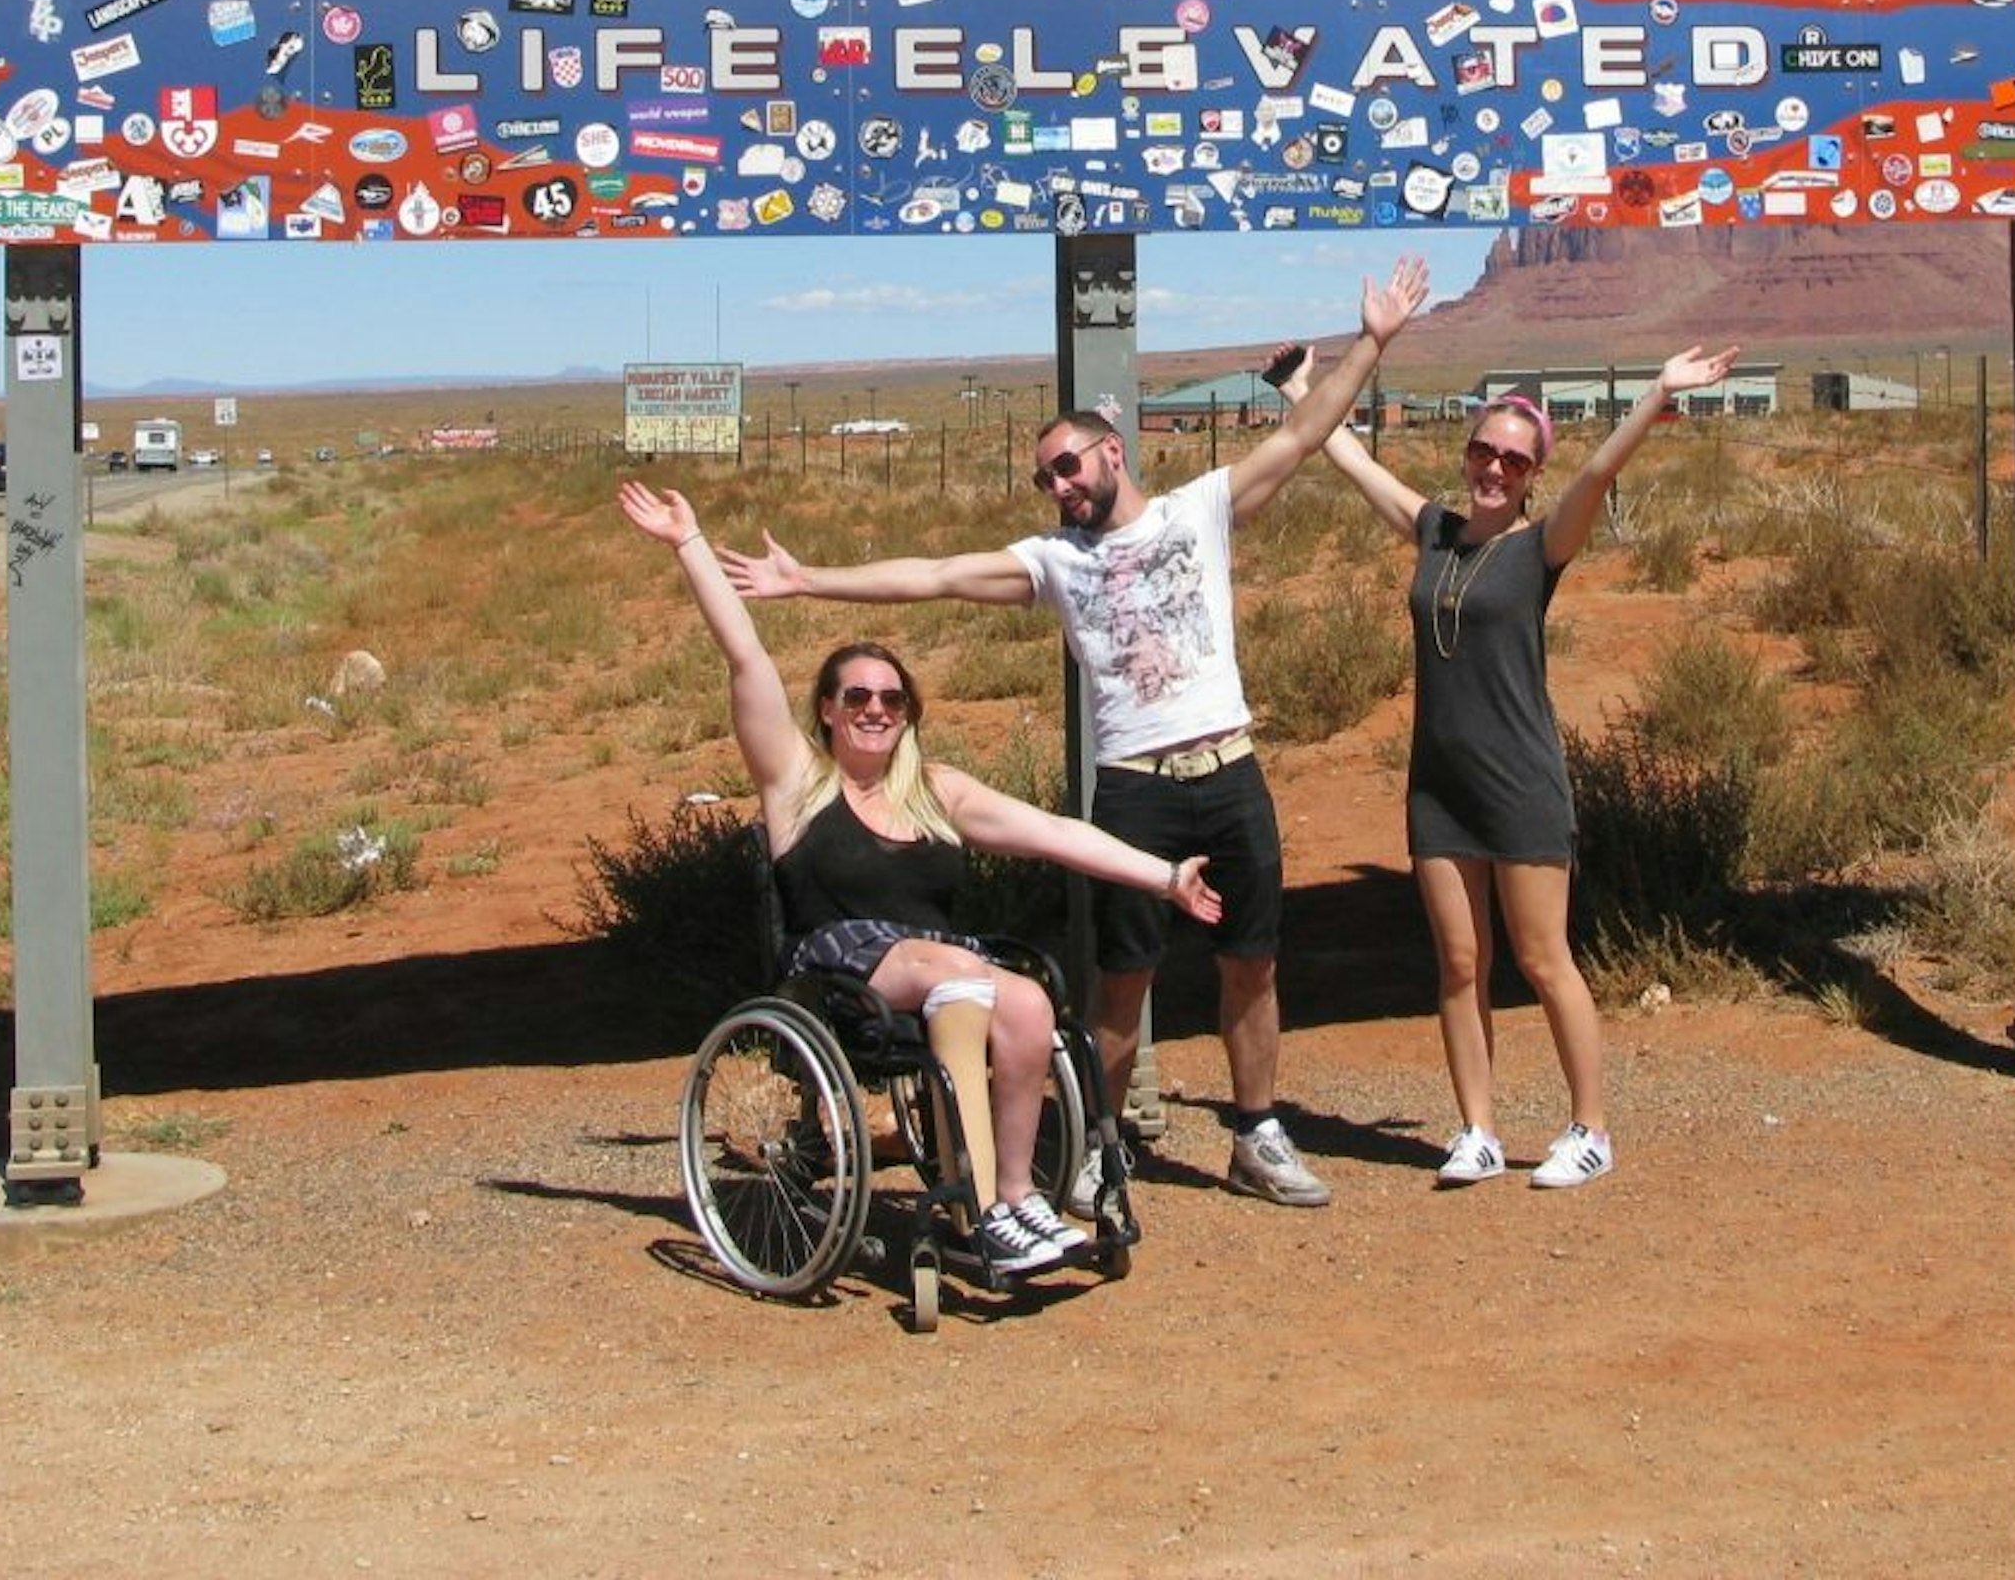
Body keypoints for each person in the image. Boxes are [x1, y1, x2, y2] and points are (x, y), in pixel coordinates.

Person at [719, 253, 1431, 1210]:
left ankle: (1257, 1133)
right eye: (1043, 475)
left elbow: (1302, 435)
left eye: (1067, 465)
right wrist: (811, 582)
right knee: (1123, 977)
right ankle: (1098, 1146)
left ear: (1112, 453)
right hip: (1133, 786)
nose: (1056, 485)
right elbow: (934, 573)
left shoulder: (1200, 511)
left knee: (1252, 960)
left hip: (1229, 768)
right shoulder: (1050, 562)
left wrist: (1373, 343)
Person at [617, 480, 1220, 1280]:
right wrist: (688, 543)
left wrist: (1167, 875)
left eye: (892, 699)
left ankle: (1013, 1196)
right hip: (837, 969)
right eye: (857, 696)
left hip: (940, 965)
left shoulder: (939, 789)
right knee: (963, 975)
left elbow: (1059, 835)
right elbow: (745, 655)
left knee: (1031, 998)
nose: (875, 709)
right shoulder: (799, 784)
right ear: (827, 711)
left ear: (908, 714)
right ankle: (984, 1204)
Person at [1272, 341, 1738, 1190]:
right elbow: (1345, 456)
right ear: (1467, 454)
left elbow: (1596, 473)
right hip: (1438, 789)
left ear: (1530, 474)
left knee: (1542, 958)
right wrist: (1302, 390)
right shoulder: (1435, 533)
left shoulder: (1539, 550)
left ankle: (1590, 1128)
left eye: (1514, 459)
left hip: (1520, 783)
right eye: (1484, 451)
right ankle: (1478, 1130)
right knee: (1457, 965)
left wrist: (1659, 392)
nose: (1495, 467)